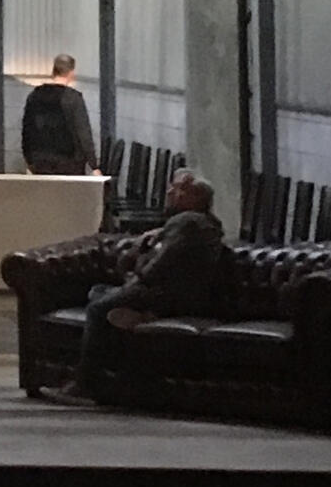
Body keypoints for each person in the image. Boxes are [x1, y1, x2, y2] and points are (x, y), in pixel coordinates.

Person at [53, 169, 226, 405]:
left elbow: (160, 264)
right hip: (177, 293)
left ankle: (86, 380)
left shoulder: (187, 222)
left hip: (164, 294)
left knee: (97, 308)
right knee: (99, 291)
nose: (169, 192)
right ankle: (140, 316)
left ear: (194, 197)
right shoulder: (205, 224)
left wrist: (137, 271)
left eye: (177, 188)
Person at [20, 54, 97, 176]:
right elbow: (83, 133)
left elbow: (27, 130)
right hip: (70, 163)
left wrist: (29, 159)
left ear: (53, 71)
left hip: (40, 162)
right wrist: (94, 165)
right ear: (71, 73)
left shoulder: (34, 96)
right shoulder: (73, 98)